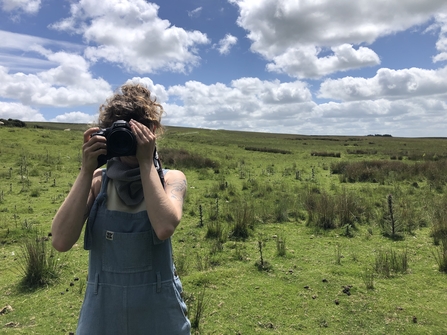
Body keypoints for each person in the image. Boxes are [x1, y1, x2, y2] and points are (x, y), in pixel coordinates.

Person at [51, 83, 191, 334]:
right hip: (102, 314)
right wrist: (86, 170)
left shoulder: (170, 179)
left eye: (136, 132)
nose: (128, 141)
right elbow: (60, 240)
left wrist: (146, 161)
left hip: (160, 314)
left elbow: (164, 226)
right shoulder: (96, 183)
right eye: (120, 133)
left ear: (153, 131)